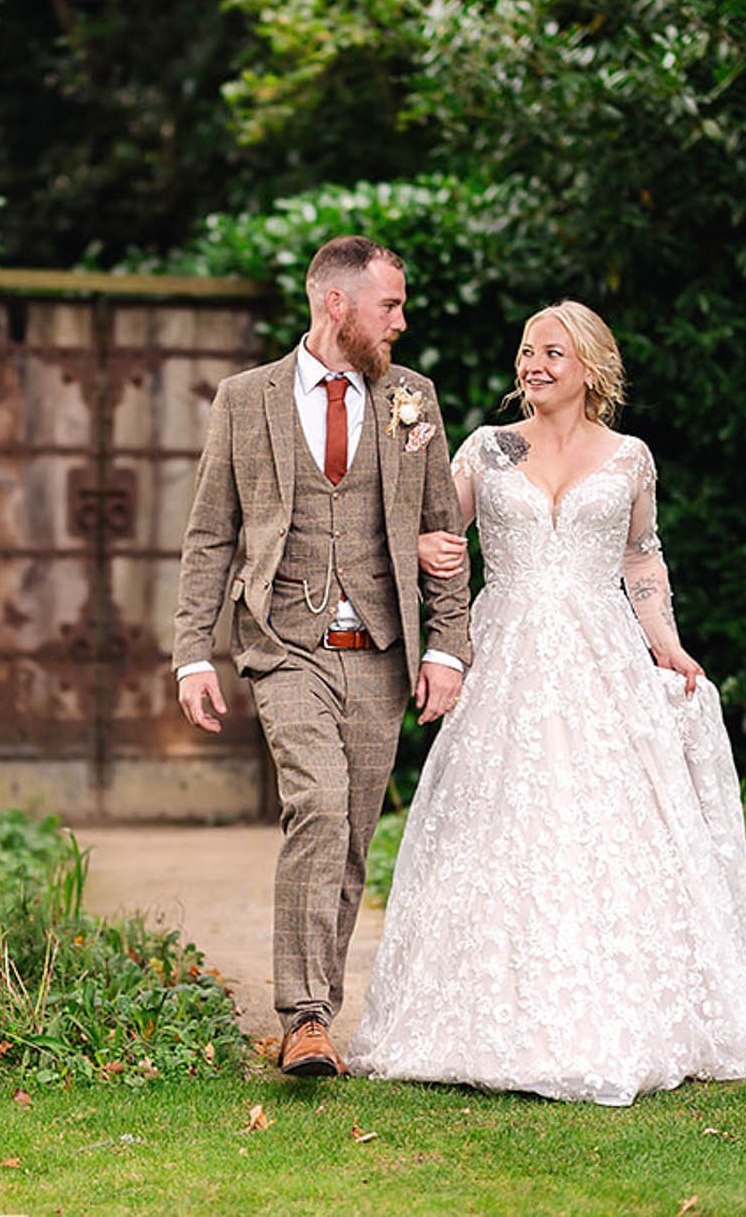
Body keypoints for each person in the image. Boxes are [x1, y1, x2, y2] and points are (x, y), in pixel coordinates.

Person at [346, 301, 746, 1105]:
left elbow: (639, 557)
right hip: (506, 652)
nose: (533, 365)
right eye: (525, 351)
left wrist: (666, 639)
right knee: (498, 819)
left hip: (600, 659)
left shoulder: (630, 459)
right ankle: (478, 1013)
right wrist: (423, 546)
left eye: (552, 352)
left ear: (590, 366)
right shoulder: (488, 448)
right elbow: (436, 530)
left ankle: (620, 1012)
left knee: (607, 825)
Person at [172, 235, 473, 1077]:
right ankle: (303, 1017)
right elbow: (210, 534)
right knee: (319, 802)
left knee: (349, 838)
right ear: (336, 305)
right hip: (283, 642)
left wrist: (449, 646)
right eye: (390, 306)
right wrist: (193, 653)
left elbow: (442, 536)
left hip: (379, 649)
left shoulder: (414, 398)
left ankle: (319, 1012)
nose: (401, 324)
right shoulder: (245, 399)